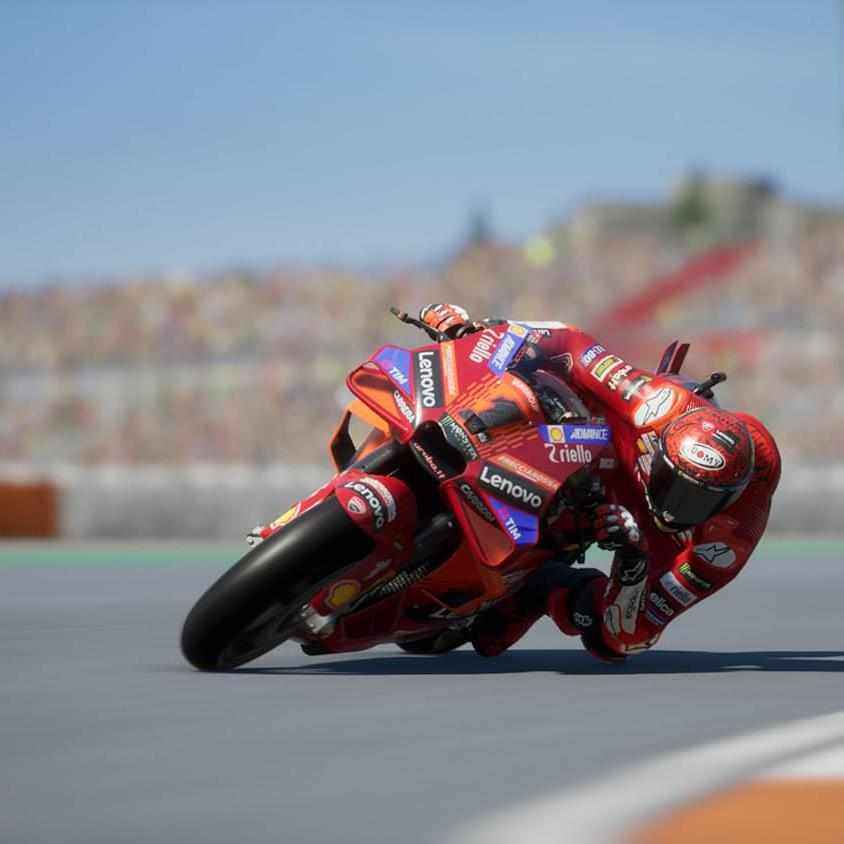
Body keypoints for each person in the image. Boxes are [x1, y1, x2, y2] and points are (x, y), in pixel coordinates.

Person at [418, 303, 781, 662]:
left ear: (730, 499)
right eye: (674, 485)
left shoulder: (727, 543)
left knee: (599, 640)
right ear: (659, 445)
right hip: (590, 449)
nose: (675, 507)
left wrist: (633, 561)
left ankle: (544, 587)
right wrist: (482, 334)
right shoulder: (656, 403)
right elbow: (571, 342)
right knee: (534, 382)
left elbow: (633, 636)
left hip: (631, 529)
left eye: (698, 501)